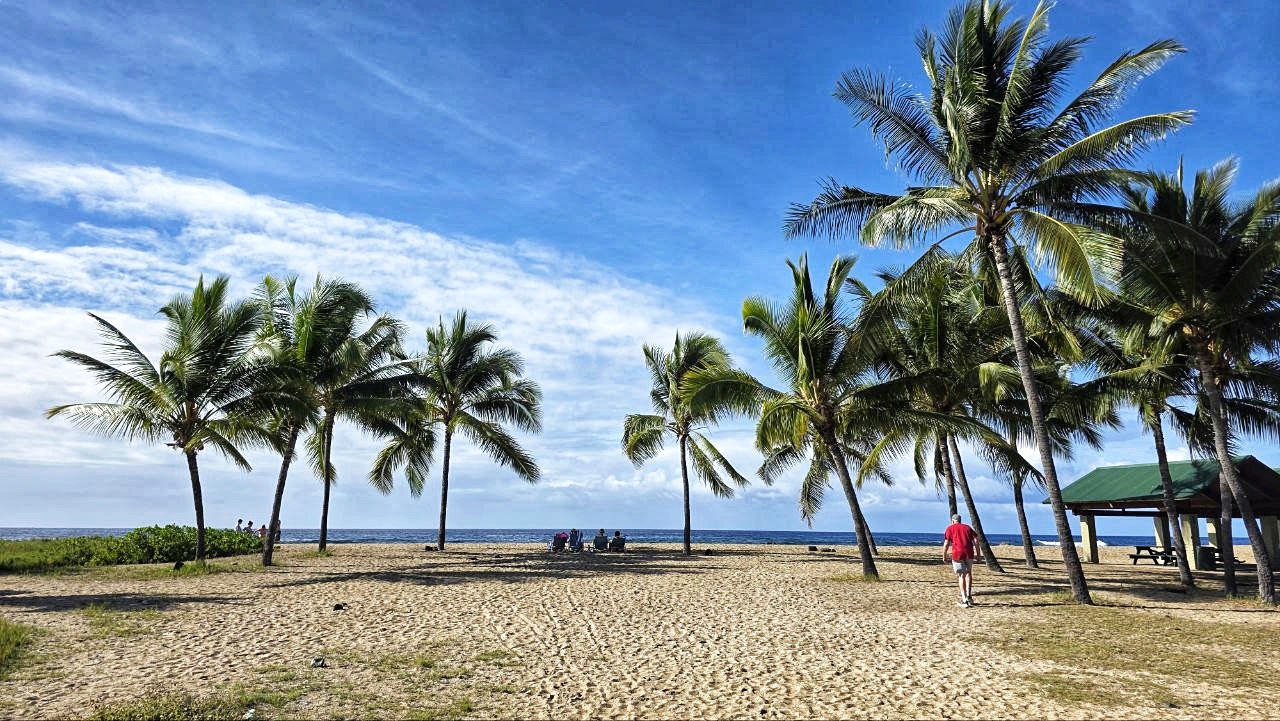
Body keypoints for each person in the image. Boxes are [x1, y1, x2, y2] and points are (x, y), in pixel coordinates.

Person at [943, 513, 981, 607]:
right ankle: (969, 596)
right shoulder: (967, 528)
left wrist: (944, 555)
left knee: (961, 575)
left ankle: (964, 599)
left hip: (957, 554)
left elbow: (946, 543)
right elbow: (976, 541)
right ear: (960, 520)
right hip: (969, 553)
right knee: (968, 573)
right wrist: (978, 554)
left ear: (952, 521)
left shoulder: (950, 528)